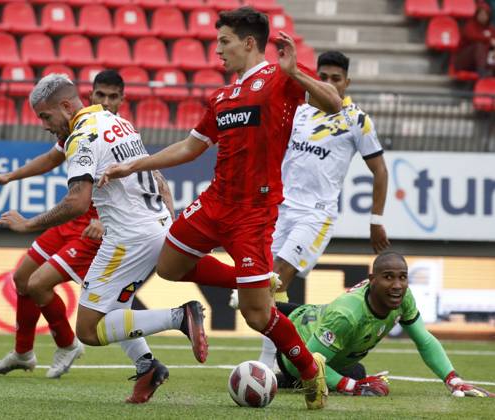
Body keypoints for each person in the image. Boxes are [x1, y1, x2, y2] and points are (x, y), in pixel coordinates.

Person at [99, 7, 343, 410]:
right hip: (214, 203)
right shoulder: (222, 96)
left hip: (253, 213)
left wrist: (296, 70)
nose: (218, 50)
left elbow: (334, 104)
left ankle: (310, 372)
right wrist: (133, 163)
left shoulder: (280, 78)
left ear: (249, 43)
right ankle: (254, 280)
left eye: (224, 41)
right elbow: (190, 146)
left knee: (256, 315)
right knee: (169, 265)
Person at [0, 73, 207, 403]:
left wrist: (28, 224)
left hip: (122, 235)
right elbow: (148, 171)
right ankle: (147, 366)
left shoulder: (84, 134)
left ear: (65, 106)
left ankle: (180, 316)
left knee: (88, 327)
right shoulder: (110, 120)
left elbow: (77, 202)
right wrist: (12, 176)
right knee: (111, 306)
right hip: (146, 226)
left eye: (45, 117)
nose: (44, 125)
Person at [240, 50, 390, 368]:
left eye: (336, 78)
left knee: (276, 280)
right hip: (281, 209)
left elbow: (380, 170)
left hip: (316, 213)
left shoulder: (357, 120)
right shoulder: (299, 113)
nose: (329, 83)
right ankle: (287, 360)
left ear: (347, 82)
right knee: (270, 283)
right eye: (323, 77)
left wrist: (376, 219)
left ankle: (268, 365)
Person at [273, 252, 494, 398]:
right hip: (295, 350)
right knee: (343, 380)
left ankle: (287, 381)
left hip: (325, 335)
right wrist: (351, 387)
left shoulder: (404, 297)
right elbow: (305, 363)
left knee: (358, 373)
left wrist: (453, 379)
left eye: (403, 277)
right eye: (388, 277)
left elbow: (424, 340)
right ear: (373, 279)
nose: (397, 285)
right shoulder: (347, 314)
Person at [453, 1, 495, 77]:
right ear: (477, 15)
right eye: (481, 14)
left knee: (492, 49)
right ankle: (482, 72)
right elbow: (472, 36)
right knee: (478, 46)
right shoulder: (470, 26)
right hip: (463, 61)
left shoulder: (491, 29)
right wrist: (489, 39)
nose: (483, 17)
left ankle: (491, 71)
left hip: (481, 62)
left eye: (486, 15)